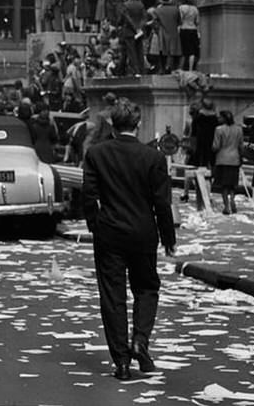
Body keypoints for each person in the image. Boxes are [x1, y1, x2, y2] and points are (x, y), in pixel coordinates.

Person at [81, 98, 176, 382]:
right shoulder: (154, 158)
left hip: (109, 231)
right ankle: (141, 339)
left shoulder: (97, 154)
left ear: (112, 123)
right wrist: (168, 237)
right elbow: (162, 203)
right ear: (139, 123)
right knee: (146, 288)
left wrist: (94, 225)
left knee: (113, 295)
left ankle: (121, 361)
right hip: (144, 231)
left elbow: (89, 195)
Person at [210, 110, 243, 214]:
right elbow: (241, 146)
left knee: (223, 185)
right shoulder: (239, 129)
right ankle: (232, 200)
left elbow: (216, 146)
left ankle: (226, 206)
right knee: (232, 184)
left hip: (222, 159)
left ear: (224, 118)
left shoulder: (219, 129)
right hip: (235, 159)